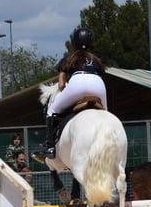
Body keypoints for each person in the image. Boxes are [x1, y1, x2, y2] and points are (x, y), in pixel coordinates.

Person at [35, 27, 108, 160]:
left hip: (77, 83)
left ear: (74, 43)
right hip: (97, 84)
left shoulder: (68, 59)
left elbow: (62, 84)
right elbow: (101, 77)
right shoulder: (97, 60)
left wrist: (69, 95)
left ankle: (50, 147)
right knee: (107, 115)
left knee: (52, 111)